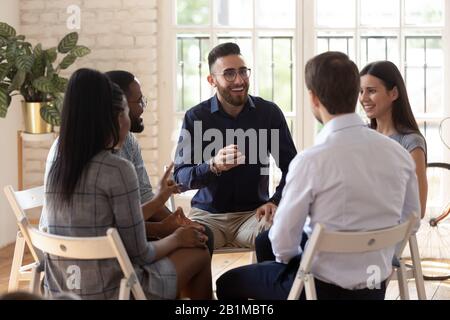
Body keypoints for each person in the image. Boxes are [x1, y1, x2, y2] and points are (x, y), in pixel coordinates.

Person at [216, 52, 421, 300]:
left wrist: (297, 261)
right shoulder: (398, 154)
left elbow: (283, 244)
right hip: (373, 285)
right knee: (264, 244)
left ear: (313, 98)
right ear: (355, 93)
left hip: (319, 289)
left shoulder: (310, 161)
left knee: (228, 282)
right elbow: (413, 218)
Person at [43, 68, 211, 300]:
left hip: (61, 288)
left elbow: (105, 223)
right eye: (124, 112)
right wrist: (177, 238)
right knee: (198, 252)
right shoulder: (116, 169)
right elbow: (141, 254)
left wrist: (160, 199)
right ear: (110, 118)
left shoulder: (58, 164)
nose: (127, 120)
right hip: (115, 290)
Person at [173, 42, 297, 250]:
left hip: (254, 215)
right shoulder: (196, 117)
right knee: (191, 242)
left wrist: (275, 201)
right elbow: (179, 179)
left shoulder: (268, 114)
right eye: (229, 74)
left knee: (280, 236)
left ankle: (268, 283)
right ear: (212, 80)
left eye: (243, 72)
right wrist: (213, 165)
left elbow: (293, 168)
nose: (239, 80)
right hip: (208, 216)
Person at [105, 70, 213, 254]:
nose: (143, 107)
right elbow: (115, 227)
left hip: (118, 234)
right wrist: (165, 229)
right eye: (139, 101)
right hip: (109, 250)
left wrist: (175, 222)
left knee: (200, 236)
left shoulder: (129, 142)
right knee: (196, 247)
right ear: (119, 107)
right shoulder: (109, 165)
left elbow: (143, 196)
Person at [360, 61, 428, 218]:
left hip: (388, 232)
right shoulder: (362, 134)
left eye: (371, 91)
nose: (363, 98)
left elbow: (419, 209)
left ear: (394, 93)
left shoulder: (411, 142)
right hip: (360, 225)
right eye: (360, 91)